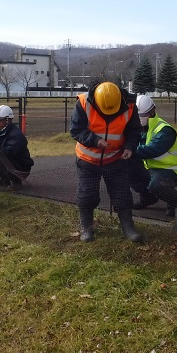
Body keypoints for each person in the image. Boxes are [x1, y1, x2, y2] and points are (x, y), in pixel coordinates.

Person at [70, 81, 143, 243]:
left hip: (116, 159)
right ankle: (87, 228)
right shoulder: (83, 103)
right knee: (86, 195)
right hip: (88, 160)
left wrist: (130, 147)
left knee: (122, 195)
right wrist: (95, 140)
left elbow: (134, 131)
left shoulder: (130, 106)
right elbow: (76, 130)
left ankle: (128, 228)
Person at [130, 95, 177, 217]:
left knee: (156, 185)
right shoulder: (139, 128)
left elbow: (153, 150)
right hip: (151, 169)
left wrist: (130, 150)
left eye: (144, 115)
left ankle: (173, 202)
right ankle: (148, 198)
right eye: (138, 115)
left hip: (171, 170)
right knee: (128, 167)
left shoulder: (165, 130)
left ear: (153, 111)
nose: (141, 118)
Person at [0, 105, 34, 189]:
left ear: (8, 120)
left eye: (0, 120)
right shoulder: (0, 133)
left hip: (22, 168)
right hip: (13, 164)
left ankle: (17, 182)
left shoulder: (16, 135)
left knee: (1, 159)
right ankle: (4, 180)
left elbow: (9, 152)